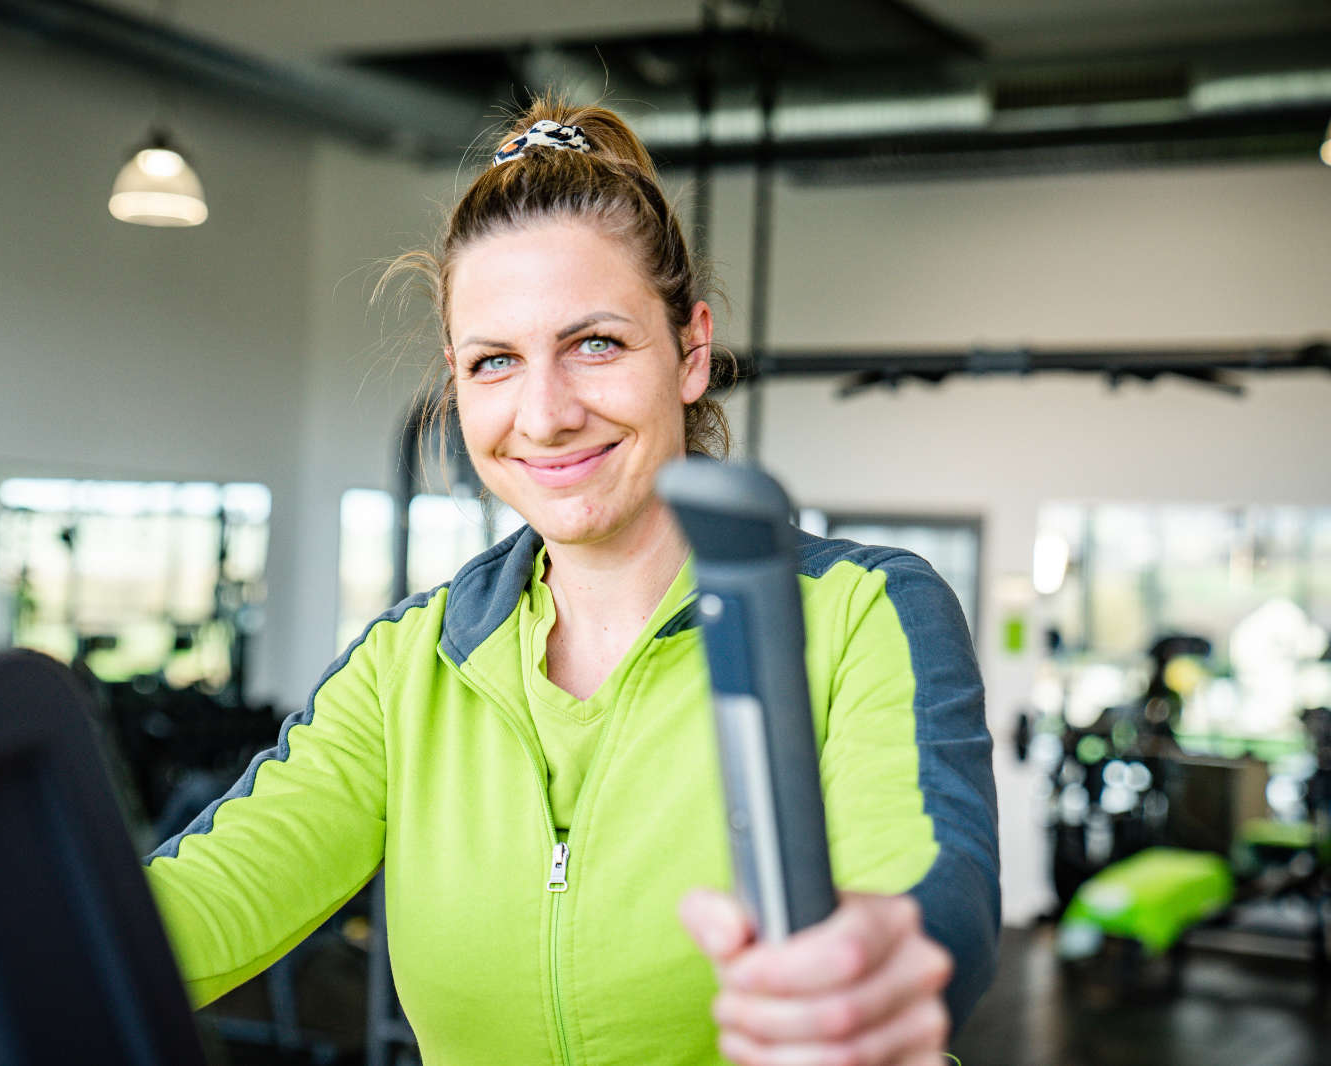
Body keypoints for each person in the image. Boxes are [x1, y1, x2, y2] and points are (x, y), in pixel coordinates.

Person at [143, 98, 999, 1066]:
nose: (544, 414)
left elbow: (933, 883)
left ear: (690, 350)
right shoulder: (407, 668)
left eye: (594, 343)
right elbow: (191, 908)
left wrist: (884, 966)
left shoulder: (860, 613)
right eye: (495, 360)